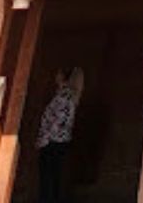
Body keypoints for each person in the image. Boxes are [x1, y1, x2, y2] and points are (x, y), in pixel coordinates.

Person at [36, 67, 83, 203]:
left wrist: (44, 140)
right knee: (55, 176)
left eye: (58, 74)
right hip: (61, 142)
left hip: (52, 142)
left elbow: (57, 121)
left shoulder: (64, 96)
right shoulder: (69, 95)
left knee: (48, 178)